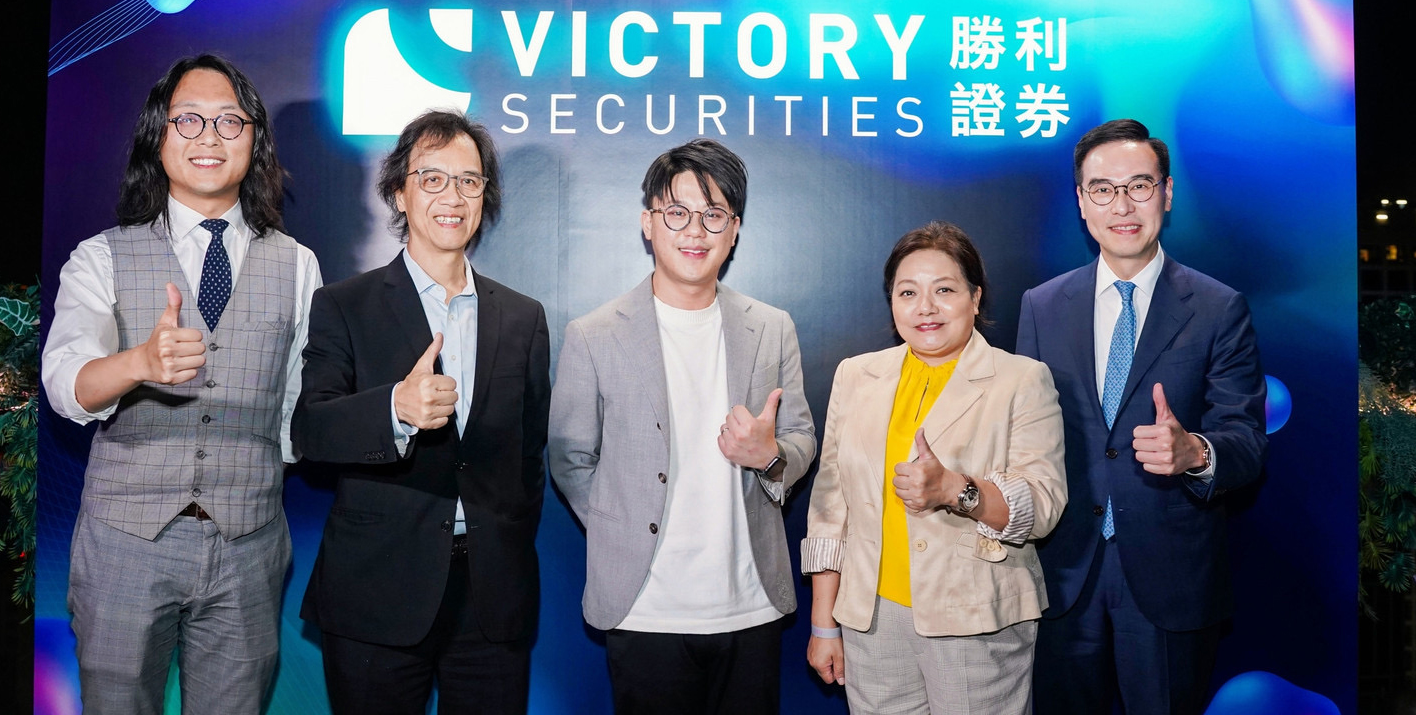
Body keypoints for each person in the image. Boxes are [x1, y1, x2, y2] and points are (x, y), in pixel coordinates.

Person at [42, 54, 321, 715]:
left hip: (249, 546)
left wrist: (252, 475)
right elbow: (63, 383)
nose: (209, 136)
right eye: (188, 120)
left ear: (254, 141)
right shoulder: (101, 255)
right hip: (123, 545)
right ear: (157, 138)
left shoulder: (298, 263)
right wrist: (137, 363)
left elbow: (297, 402)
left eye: (229, 121)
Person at [290, 110, 550, 715]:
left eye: (469, 180)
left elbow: (529, 457)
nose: (452, 197)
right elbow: (311, 428)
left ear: (485, 196)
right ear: (399, 193)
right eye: (432, 179)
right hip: (375, 592)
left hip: (492, 598)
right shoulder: (344, 305)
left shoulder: (522, 317)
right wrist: (394, 409)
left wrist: (505, 537)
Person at [548, 138, 817, 715]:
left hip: (749, 604)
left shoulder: (771, 328)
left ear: (735, 227)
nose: (695, 230)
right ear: (648, 222)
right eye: (676, 212)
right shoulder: (594, 335)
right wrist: (620, 527)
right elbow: (570, 459)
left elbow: (800, 440)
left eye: (713, 214)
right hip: (644, 608)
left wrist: (768, 457)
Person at [1017, 118, 1268, 715]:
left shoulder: (1217, 307)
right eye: (1102, 189)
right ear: (1082, 202)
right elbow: (1020, 436)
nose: (1121, 205)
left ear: (1168, 192)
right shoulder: (1042, 306)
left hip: (1171, 581)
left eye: (1140, 185)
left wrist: (1196, 454)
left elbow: (1247, 441)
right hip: (1062, 574)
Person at [801, 221, 1066, 715]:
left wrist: (955, 489)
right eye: (908, 292)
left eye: (944, 290)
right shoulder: (856, 376)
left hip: (976, 624)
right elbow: (830, 509)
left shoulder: (1021, 380)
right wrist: (823, 623)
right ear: (892, 302)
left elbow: (1043, 505)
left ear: (975, 297)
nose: (925, 307)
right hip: (871, 624)